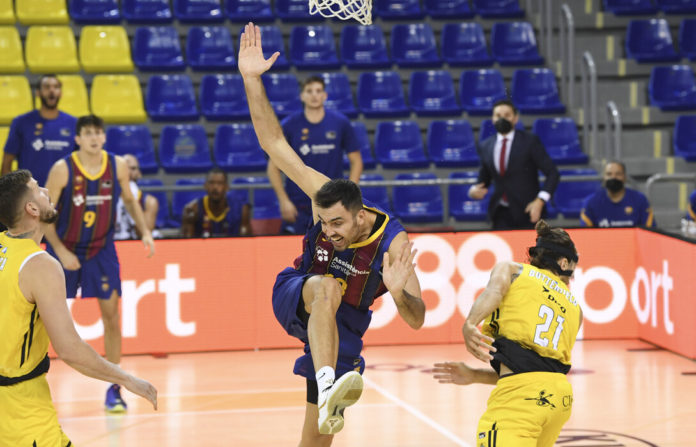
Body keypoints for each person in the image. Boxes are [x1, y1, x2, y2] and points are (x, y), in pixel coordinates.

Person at [239, 22, 425, 445]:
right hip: (299, 292)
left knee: (317, 439)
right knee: (326, 287)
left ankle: (327, 394)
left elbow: (417, 320)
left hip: (345, 327)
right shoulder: (323, 192)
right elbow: (273, 143)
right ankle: (328, 385)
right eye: (323, 222)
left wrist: (399, 293)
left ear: (360, 216)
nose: (328, 231)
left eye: (337, 223)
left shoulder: (393, 244)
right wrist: (251, 80)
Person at [0, 170, 157, 446]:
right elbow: (70, 350)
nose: (46, 190)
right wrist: (126, 379)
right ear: (32, 208)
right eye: (38, 188)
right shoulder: (40, 266)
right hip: (21, 412)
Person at [432, 220, 582, 447]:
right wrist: (475, 376)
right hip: (559, 399)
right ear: (563, 263)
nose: (572, 276)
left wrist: (470, 322)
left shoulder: (514, 270)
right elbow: (539, 370)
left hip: (520, 400)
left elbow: (494, 291)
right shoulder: (576, 309)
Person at [43, 114, 156, 413]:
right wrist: (59, 251)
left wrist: (145, 231)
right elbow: (43, 214)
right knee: (42, 318)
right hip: (65, 247)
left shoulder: (117, 166)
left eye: (98, 133)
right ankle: (33, 381)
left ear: (104, 137)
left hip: (101, 249)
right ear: (77, 138)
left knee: (112, 317)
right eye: (88, 133)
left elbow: (130, 200)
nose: (94, 138)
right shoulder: (62, 170)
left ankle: (115, 388)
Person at [267, 75, 363, 235]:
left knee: (333, 247)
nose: (314, 95)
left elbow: (357, 161)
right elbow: (273, 167)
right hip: (298, 205)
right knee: (298, 249)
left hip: (332, 202)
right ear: (302, 96)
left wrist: (348, 197)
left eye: (318, 91)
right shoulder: (289, 125)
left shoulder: (340, 123)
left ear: (325, 95)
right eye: (309, 91)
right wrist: (283, 200)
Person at [469, 99, 560, 229]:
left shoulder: (530, 141)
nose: (502, 119)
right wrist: (473, 191)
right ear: (492, 119)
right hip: (500, 213)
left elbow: (553, 173)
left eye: (507, 115)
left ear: (515, 118)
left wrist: (540, 201)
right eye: (498, 115)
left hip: (528, 211)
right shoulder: (486, 146)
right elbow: (484, 178)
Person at [1, 74, 77, 188]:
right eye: (47, 87)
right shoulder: (21, 122)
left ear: (60, 93)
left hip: (65, 193)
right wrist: (10, 193)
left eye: (56, 87)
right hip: (30, 193)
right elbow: (7, 163)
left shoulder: (74, 123)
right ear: (38, 92)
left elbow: (84, 161)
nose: (52, 90)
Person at [579, 161, 655, 228]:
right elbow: (585, 233)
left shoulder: (640, 200)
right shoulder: (591, 202)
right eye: (609, 174)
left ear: (625, 177)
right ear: (604, 177)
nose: (613, 177)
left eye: (618, 174)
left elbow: (650, 231)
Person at [181, 167, 252, 238]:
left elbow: (245, 241)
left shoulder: (242, 209)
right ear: (205, 186)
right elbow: (187, 242)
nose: (215, 187)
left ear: (227, 187)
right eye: (211, 183)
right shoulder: (192, 209)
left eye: (220, 183)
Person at [114, 154, 160, 241]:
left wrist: (133, 203)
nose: (127, 172)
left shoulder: (149, 202)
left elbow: (143, 235)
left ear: (139, 173)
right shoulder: (106, 198)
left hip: (136, 244)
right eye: (124, 168)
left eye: (133, 168)